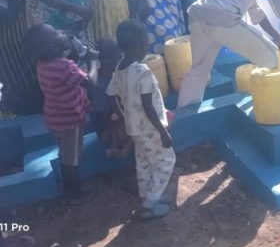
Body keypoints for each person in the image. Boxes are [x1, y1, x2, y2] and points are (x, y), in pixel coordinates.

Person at [107, 20, 175, 219]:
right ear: (144, 42)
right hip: (150, 128)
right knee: (166, 160)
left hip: (134, 128)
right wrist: (163, 132)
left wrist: (122, 115)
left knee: (144, 162)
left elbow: (110, 94)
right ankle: (150, 204)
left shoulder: (120, 68)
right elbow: (148, 106)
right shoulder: (142, 71)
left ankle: (148, 196)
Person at [23, 24, 98, 204]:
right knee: (71, 158)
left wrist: (75, 53)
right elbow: (90, 82)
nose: (62, 32)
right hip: (69, 121)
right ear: (53, 48)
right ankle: (74, 193)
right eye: (57, 33)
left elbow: (66, 68)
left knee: (66, 154)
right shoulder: (65, 67)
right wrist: (92, 61)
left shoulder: (44, 63)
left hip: (56, 118)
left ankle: (69, 186)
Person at [0, 0, 42, 115]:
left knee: (38, 89)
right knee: (22, 99)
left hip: (28, 54)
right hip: (8, 58)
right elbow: (7, 15)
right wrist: (17, 0)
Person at [88, 38, 133, 158]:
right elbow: (104, 117)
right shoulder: (98, 84)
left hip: (119, 117)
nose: (117, 61)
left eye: (119, 57)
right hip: (107, 127)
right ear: (101, 59)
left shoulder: (118, 73)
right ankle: (122, 149)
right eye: (113, 58)